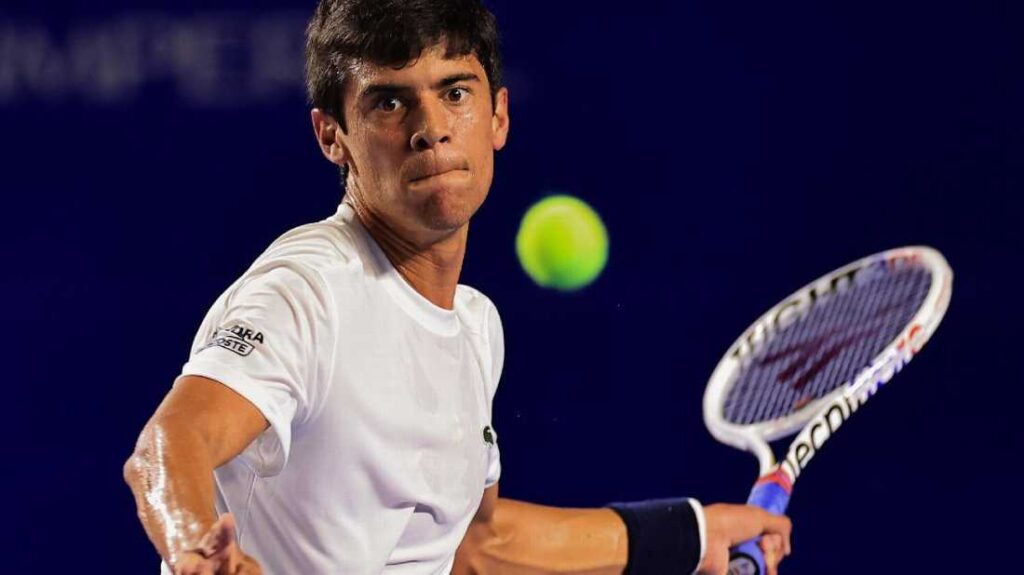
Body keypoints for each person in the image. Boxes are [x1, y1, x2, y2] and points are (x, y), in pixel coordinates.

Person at [123, 1, 793, 573]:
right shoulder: (307, 289)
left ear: (497, 116)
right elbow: (166, 446)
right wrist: (192, 549)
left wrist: (691, 534)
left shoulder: (475, 327)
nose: (431, 128)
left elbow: (476, 544)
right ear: (332, 135)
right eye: (389, 101)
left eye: (455, 92)